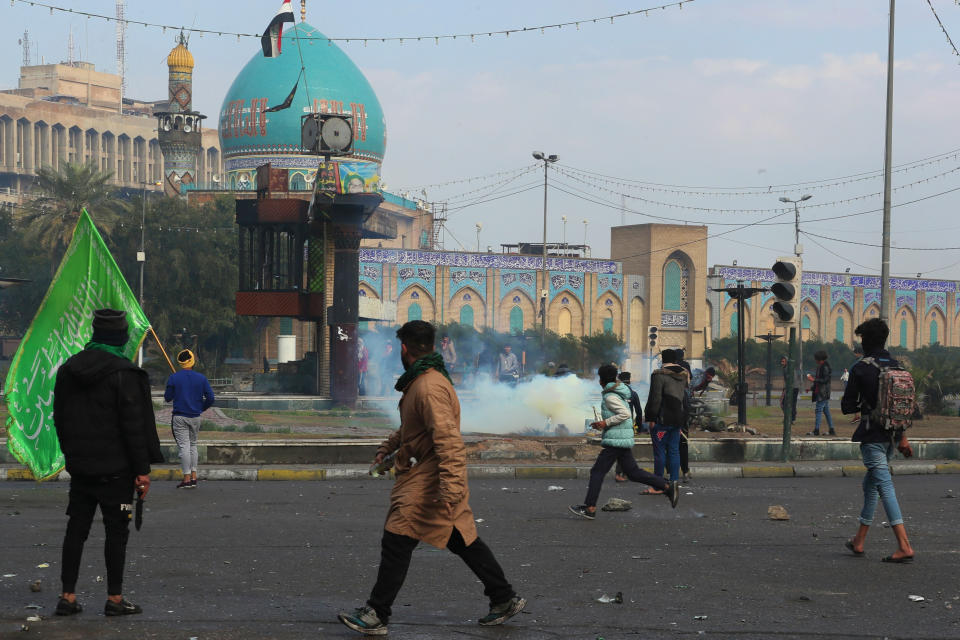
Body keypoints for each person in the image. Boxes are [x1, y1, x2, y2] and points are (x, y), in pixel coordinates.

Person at [338, 321, 525, 635]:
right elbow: (414, 427)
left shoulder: (428, 386)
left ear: (404, 349)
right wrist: (389, 448)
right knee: (462, 539)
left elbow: (448, 439)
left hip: (430, 480)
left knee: (397, 539)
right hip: (430, 476)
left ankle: (377, 613)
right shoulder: (425, 382)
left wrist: (450, 487)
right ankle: (503, 597)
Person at [53, 309, 164, 617]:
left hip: (81, 469)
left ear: (95, 334)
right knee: (116, 533)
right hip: (117, 472)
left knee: (76, 530)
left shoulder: (68, 370)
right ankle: (114, 599)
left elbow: (59, 419)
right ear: (121, 336)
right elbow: (134, 427)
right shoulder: (125, 374)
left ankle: (68, 597)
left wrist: (72, 457)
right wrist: (142, 471)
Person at [840, 318, 915, 563]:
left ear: (864, 341)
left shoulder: (860, 367)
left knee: (884, 486)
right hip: (892, 437)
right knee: (870, 486)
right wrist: (902, 437)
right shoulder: (898, 367)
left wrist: (861, 406)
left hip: (872, 436)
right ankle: (859, 540)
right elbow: (901, 406)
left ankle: (904, 545)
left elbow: (846, 405)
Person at [569, 364, 678, 519]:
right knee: (633, 473)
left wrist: (605, 423)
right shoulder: (618, 392)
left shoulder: (610, 396)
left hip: (616, 441)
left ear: (601, 380)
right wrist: (603, 424)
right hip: (620, 438)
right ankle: (667, 486)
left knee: (597, 472)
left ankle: (590, 507)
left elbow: (625, 414)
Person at [164, 348, 215, 489]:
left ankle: (186, 478)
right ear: (192, 360)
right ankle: (194, 476)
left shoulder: (174, 378)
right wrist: (201, 408)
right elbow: (211, 398)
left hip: (180, 416)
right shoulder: (201, 378)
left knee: (184, 447)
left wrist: (174, 387)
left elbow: (168, 398)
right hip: (195, 416)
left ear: (180, 362)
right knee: (193, 445)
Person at [645, 349, 690, 490]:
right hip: (677, 420)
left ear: (662, 360)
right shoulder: (683, 376)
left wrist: (651, 417)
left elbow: (655, 398)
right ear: (675, 360)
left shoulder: (658, 375)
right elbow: (683, 399)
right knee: (674, 450)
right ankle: (674, 482)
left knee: (659, 452)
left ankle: (658, 486)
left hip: (662, 420)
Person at [614, 371, 643, 482]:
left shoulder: (615, 393)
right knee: (624, 448)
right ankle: (620, 473)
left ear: (619, 380)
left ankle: (623, 473)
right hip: (627, 424)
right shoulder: (633, 393)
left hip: (616, 423)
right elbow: (639, 412)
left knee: (622, 448)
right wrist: (639, 427)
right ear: (629, 380)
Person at [806, 350, 835, 436]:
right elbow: (820, 380)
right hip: (821, 392)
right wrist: (812, 388)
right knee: (826, 411)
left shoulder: (824, 367)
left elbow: (825, 380)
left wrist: (813, 379)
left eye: (816, 359)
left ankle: (816, 430)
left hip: (823, 393)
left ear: (819, 359)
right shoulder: (820, 366)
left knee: (818, 410)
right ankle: (831, 429)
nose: (815, 360)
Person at [779, 355, 800, 424]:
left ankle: (788, 418)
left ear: (787, 362)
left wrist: (785, 389)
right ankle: (792, 418)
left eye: (783, 361)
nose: (782, 363)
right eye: (781, 361)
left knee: (782, 403)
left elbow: (789, 380)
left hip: (791, 388)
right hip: (795, 387)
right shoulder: (791, 368)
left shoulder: (786, 369)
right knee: (793, 404)